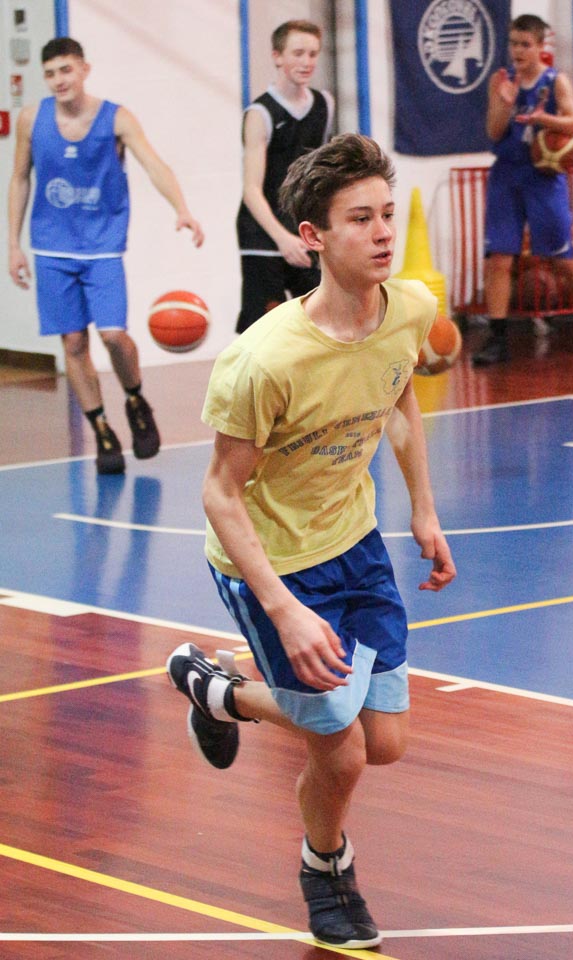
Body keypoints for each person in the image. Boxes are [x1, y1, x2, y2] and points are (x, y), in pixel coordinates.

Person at [167, 133, 456, 949]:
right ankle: (326, 873)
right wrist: (283, 609)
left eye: (387, 214)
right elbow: (220, 493)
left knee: (385, 742)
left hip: (354, 543)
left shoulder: (410, 309)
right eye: (359, 219)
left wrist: (423, 510)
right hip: (276, 562)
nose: (383, 232)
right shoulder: (262, 360)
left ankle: (218, 691)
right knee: (342, 750)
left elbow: (400, 400)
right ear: (313, 236)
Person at [8, 37, 204, 474]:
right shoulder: (31, 119)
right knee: (74, 342)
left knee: (113, 336)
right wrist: (13, 245)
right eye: (51, 73)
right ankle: (101, 429)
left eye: (66, 70)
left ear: (84, 69)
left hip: (102, 248)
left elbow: (154, 165)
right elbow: (19, 178)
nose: (59, 80)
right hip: (51, 248)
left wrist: (182, 209)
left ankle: (135, 399)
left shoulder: (116, 118)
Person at [473, 13, 573, 366]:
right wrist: (505, 103)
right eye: (513, 44)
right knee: (499, 258)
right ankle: (498, 337)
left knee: (562, 256)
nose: (517, 50)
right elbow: (493, 131)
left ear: (539, 46)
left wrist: (542, 119)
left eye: (525, 44)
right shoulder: (502, 80)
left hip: (543, 176)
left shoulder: (555, 81)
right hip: (506, 174)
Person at [235, 19, 334, 333]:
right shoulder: (260, 113)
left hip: (301, 228)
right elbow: (251, 190)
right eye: (298, 53)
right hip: (263, 232)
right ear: (277, 57)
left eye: (313, 54)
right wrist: (282, 239)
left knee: (324, 321)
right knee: (263, 330)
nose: (307, 62)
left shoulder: (324, 104)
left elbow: (319, 176)